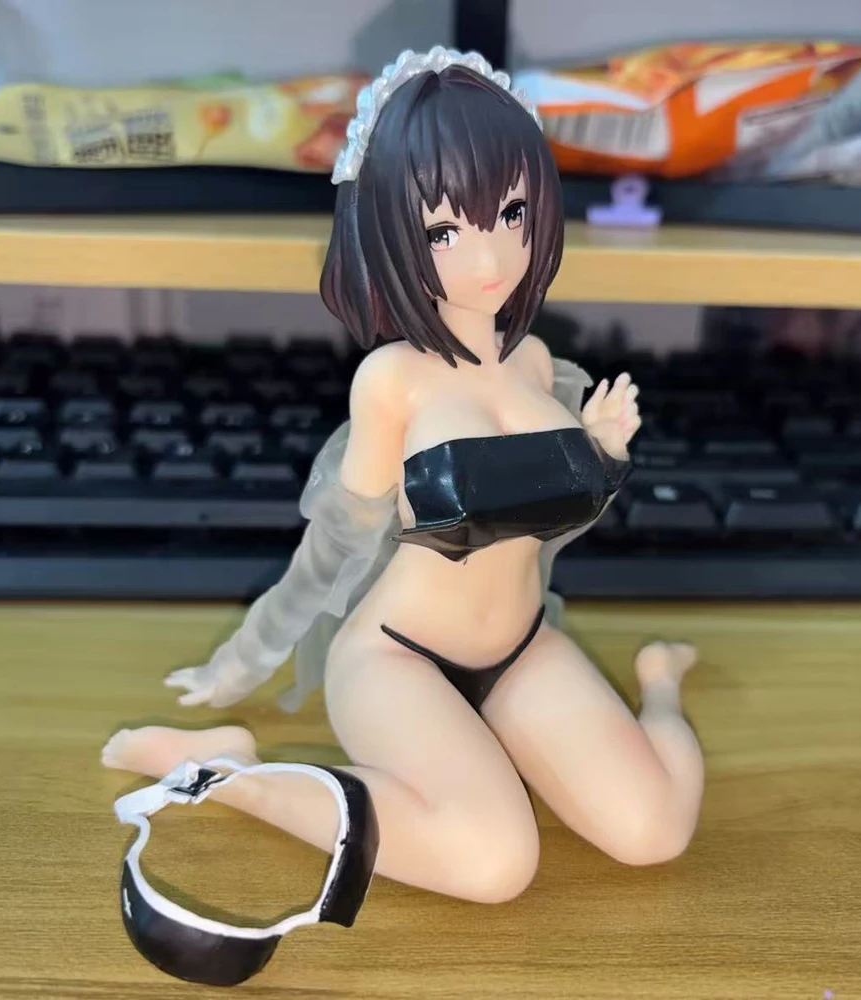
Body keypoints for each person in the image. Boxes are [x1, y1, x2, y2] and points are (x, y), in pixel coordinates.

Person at [102, 47, 704, 906]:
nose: (488, 257)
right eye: (444, 231)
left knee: (654, 831)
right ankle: (232, 772)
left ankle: (660, 684)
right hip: (400, 656)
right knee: (495, 863)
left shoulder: (537, 365)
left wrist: (602, 455)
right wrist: (243, 660)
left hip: (523, 646)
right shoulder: (392, 382)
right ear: (387, 232)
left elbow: (546, 529)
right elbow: (334, 547)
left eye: (511, 213)